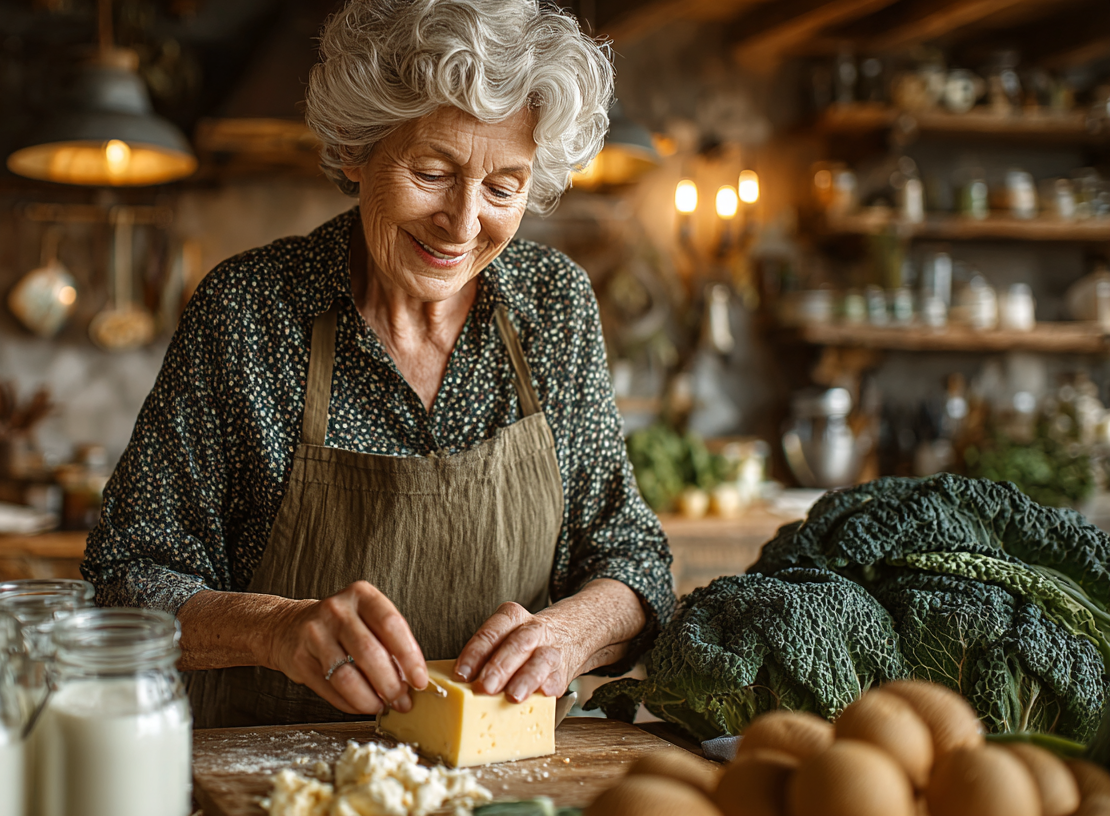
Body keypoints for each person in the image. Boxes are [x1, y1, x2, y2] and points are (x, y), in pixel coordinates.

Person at [82, 0, 673, 728]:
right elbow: (125, 577)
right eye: (432, 171)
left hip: (512, 784)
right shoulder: (249, 311)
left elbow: (632, 557)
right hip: (275, 779)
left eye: (502, 188)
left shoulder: (553, 304)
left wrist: (570, 637)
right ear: (357, 150)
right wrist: (276, 630)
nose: (461, 226)